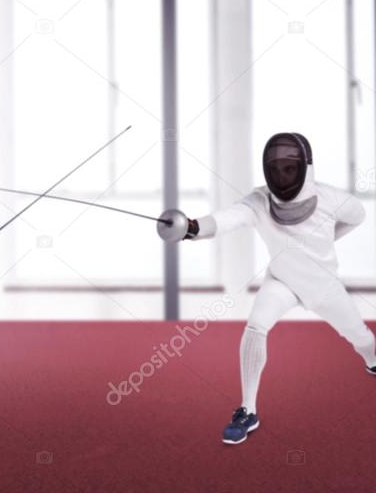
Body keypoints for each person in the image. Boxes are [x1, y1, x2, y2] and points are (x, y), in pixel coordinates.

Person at [161, 132, 376, 445]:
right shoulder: (260, 201)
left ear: (306, 168)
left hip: (324, 286)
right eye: (275, 170)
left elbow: (357, 216)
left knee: (363, 340)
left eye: (289, 169)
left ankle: (372, 360)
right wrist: (192, 228)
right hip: (282, 282)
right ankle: (248, 410)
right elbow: (227, 218)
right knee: (256, 326)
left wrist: (330, 237)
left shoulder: (331, 199)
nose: (281, 176)